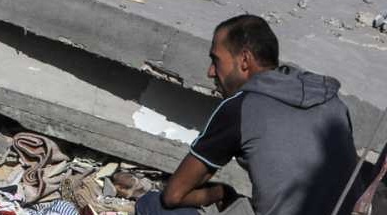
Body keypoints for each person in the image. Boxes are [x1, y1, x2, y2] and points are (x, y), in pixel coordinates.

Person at [138, 15, 361, 215]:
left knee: (153, 204)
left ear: (244, 60)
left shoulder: (241, 107)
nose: (211, 72)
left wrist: (221, 192)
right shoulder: (330, 99)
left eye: (216, 60)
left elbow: (174, 196)